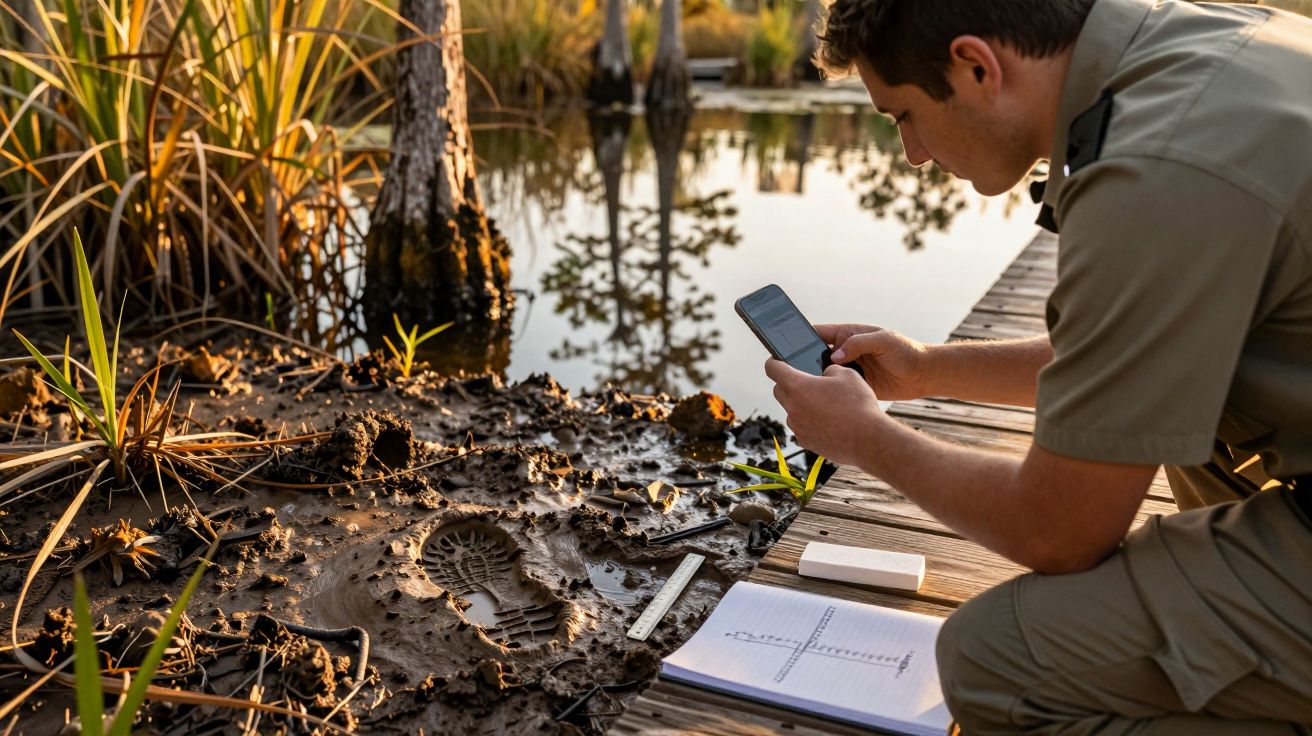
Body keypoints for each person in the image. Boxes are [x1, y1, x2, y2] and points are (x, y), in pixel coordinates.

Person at [763, 0, 1312, 732]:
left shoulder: (1155, 168)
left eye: (902, 117)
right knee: (1188, 414)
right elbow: (1136, 351)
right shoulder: (1187, 46)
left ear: (977, 67)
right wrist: (926, 368)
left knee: (994, 662)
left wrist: (866, 439)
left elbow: (1057, 530)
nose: (913, 155)